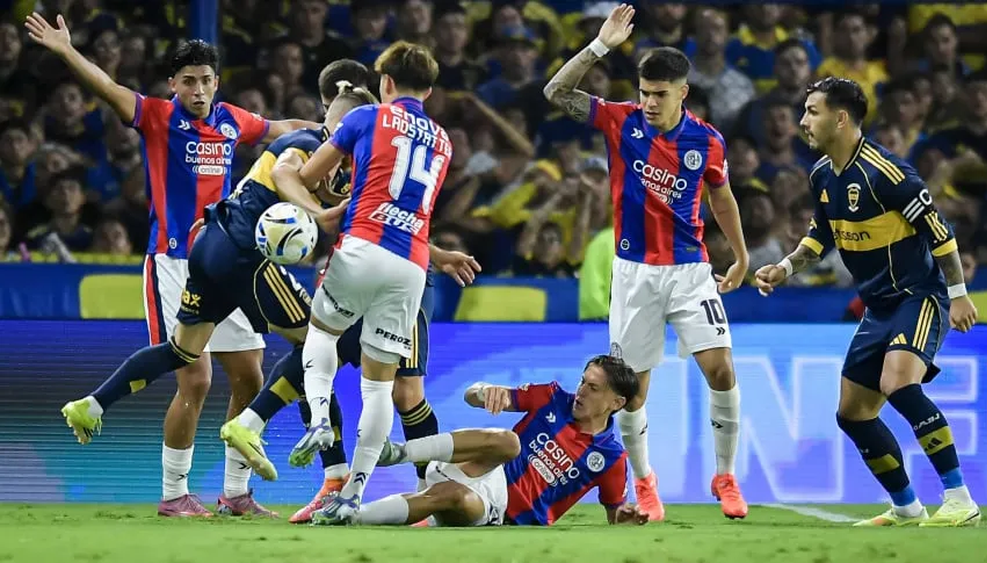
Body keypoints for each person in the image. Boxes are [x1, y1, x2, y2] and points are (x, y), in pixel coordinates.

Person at [26, 12, 316, 517]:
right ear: (173, 84)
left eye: (205, 80)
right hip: (173, 261)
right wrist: (66, 50)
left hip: (228, 256)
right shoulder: (158, 116)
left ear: (216, 83)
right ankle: (173, 493)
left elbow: (283, 130)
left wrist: (338, 130)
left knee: (249, 376)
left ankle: (235, 493)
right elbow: (109, 88)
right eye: (188, 81)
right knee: (195, 378)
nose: (198, 90)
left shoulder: (232, 120)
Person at [542, 3, 750, 520]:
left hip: (690, 270)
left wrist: (741, 255)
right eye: (644, 92)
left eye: (660, 94)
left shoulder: (708, 141)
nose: (650, 102)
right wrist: (600, 46)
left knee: (721, 368)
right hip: (634, 274)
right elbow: (555, 93)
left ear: (683, 92)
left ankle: (725, 476)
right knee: (631, 394)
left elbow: (722, 197)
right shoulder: (621, 122)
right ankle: (645, 483)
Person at [755, 77, 980, 528]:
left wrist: (958, 295)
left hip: (918, 296)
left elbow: (941, 234)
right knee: (853, 414)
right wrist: (785, 267)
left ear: (841, 119)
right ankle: (906, 506)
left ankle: (960, 498)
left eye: (812, 111)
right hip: (878, 307)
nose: (803, 121)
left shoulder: (889, 175)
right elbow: (821, 235)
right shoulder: (822, 174)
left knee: (899, 384)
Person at [261, 41, 452, 522]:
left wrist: (300, 178)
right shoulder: (444, 141)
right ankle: (354, 494)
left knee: (321, 333)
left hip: (363, 245)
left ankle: (320, 419)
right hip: (411, 265)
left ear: (385, 84)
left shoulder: (365, 118)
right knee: (379, 388)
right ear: (428, 91)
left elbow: (308, 175)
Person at [324, 355, 649, 528]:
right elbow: (471, 395)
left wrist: (625, 517)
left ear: (617, 402)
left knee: (451, 496)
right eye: (583, 381)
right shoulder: (551, 397)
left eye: (593, 388)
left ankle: (351, 515)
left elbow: (615, 513)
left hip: (497, 511)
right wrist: (483, 392)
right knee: (510, 442)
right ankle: (397, 453)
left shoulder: (611, 458)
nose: (581, 391)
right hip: (481, 466)